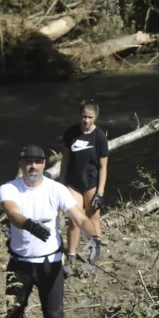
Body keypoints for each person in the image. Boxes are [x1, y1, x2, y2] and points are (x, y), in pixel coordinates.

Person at [0, 144, 102, 318]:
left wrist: (94, 238)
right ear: (20, 164)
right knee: (13, 311)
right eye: (28, 161)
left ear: (44, 163)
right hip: (19, 264)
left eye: (38, 161)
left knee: (54, 316)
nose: (33, 166)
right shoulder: (9, 188)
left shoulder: (56, 189)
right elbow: (12, 212)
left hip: (50, 264)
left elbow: (80, 218)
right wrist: (29, 224)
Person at [59, 99, 109, 267]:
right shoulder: (70, 133)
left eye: (90, 117)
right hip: (73, 183)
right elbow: (65, 160)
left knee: (93, 218)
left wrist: (100, 192)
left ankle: (94, 255)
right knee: (74, 220)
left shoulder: (99, 137)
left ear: (96, 116)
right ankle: (71, 256)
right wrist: (62, 182)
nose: (86, 121)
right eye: (83, 116)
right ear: (79, 115)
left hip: (92, 184)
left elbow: (103, 167)